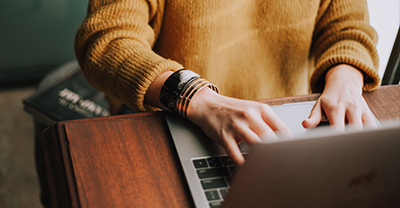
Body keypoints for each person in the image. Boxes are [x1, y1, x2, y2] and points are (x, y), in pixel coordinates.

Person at [74, 0, 380, 166]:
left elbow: (349, 26)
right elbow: (107, 41)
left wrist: (346, 77)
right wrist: (198, 98)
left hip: (289, 127)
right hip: (174, 118)